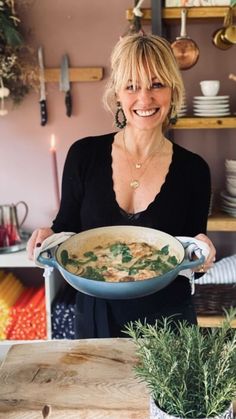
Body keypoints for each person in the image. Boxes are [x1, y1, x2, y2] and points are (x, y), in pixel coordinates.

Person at [27, 34, 216, 338]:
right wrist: (46, 237)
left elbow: (190, 256)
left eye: (156, 84)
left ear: (173, 90)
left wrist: (202, 253)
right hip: (95, 316)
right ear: (117, 93)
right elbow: (65, 228)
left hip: (168, 322)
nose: (145, 99)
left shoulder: (194, 169)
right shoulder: (83, 155)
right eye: (132, 86)